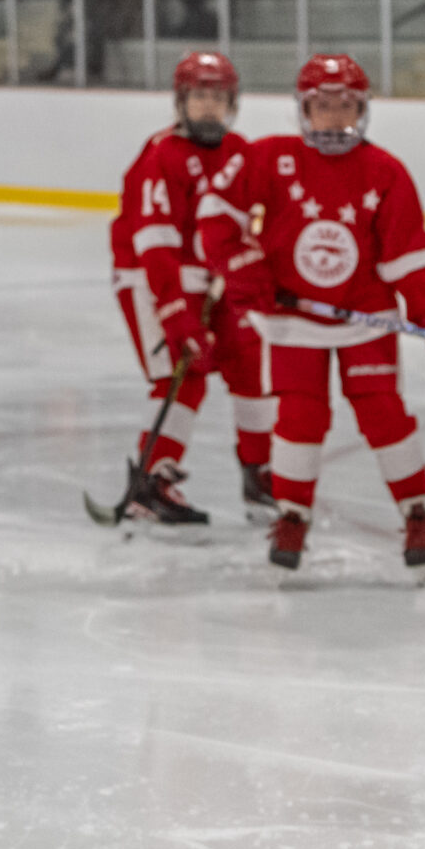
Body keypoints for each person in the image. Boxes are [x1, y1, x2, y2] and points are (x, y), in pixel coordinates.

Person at [194, 53, 425, 575]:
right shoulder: (270, 158)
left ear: (363, 108)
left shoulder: (385, 172)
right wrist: (242, 266)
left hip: (364, 317)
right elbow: (216, 216)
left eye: (344, 106)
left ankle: (419, 510)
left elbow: (406, 263)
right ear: (303, 109)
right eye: (321, 107)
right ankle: (291, 515)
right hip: (294, 321)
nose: (333, 118)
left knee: (383, 413)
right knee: (300, 418)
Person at [105, 51, 273, 527]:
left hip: (215, 279)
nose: (208, 107)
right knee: (184, 376)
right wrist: (175, 313)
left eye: (217, 97)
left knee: (248, 360)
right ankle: (150, 485)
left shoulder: (242, 152)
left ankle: (259, 476)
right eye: (199, 96)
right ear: (181, 101)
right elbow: (154, 243)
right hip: (153, 279)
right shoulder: (160, 154)